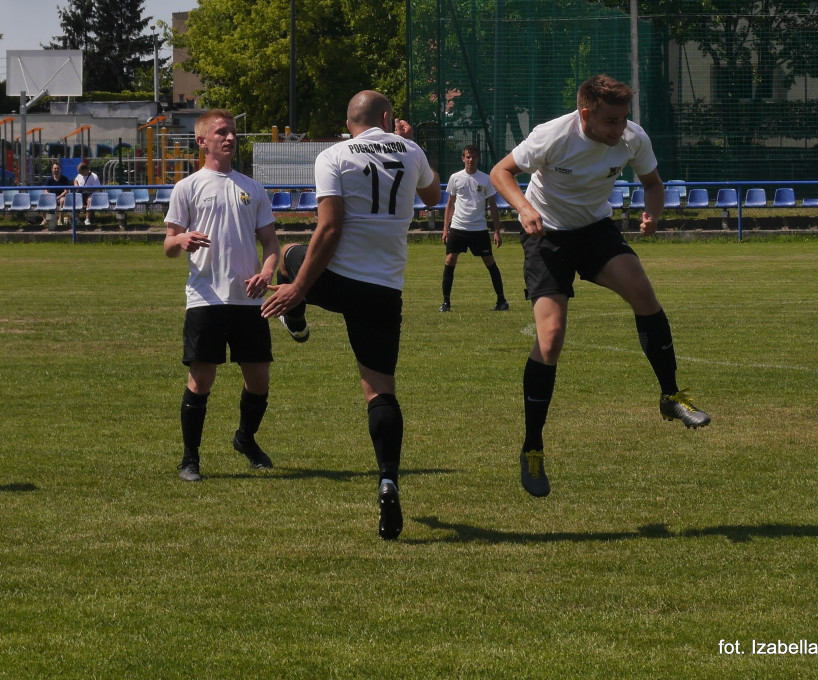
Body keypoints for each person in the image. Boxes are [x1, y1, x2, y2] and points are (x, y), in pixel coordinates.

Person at [490, 73, 711, 499]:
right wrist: (522, 208)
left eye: (624, 119)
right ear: (586, 114)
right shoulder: (551, 135)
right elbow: (501, 172)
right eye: (611, 121)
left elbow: (653, 184)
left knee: (643, 293)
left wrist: (653, 213)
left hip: (594, 230)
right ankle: (532, 447)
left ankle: (671, 395)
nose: (619, 129)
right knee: (550, 340)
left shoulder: (631, 137)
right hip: (547, 235)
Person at [261, 91, 440, 540]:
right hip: (383, 290)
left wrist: (298, 288)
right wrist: (409, 143)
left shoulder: (334, 155)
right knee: (380, 391)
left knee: (288, 253)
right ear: (387, 117)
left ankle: (297, 318)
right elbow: (434, 196)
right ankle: (387, 477)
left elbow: (331, 226)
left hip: (335, 280)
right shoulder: (411, 150)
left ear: (350, 121)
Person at [163, 109, 281, 482]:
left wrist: (266, 271)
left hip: (248, 298)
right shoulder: (188, 187)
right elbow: (168, 244)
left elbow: (271, 243)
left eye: (232, 133)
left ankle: (245, 438)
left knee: (259, 380)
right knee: (201, 380)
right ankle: (190, 459)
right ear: (202, 141)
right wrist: (181, 239)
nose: (229, 138)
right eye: (221, 133)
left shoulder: (253, 187)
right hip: (206, 298)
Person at [438, 144, 509, 312]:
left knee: (489, 262)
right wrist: (445, 229)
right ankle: (446, 302)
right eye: (468, 157)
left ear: (478, 159)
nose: (471, 160)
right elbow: (450, 204)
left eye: (474, 157)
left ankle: (502, 300)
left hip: (479, 229)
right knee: (449, 261)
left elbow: (493, 206)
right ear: (463, 158)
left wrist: (497, 231)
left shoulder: (486, 179)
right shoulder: (455, 178)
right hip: (458, 227)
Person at [72, 161, 100, 226]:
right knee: (75, 199)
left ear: (85, 170)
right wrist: (76, 185)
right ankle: (77, 219)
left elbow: (96, 188)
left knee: (89, 200)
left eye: (80, 172)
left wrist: (85, 189)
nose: (79, 173)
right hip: (81, 194)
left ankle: (87, 219)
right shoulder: (79, 175)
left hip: (91, 194)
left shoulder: (94, 176)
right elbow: (75, 180)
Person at [44, 162, 71, 226]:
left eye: (57, 168)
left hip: (61, 197)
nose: (56, 170)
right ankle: (45, 220)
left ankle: (59, 220)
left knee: (62, 200)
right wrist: (51, 197)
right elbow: (46, 190)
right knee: (43, 201)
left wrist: (59, 197)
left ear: (60, 169)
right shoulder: (49, 180)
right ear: (52, 169)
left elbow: (66, 191)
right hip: (51, 198)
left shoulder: (64, 179)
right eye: (54, 168)